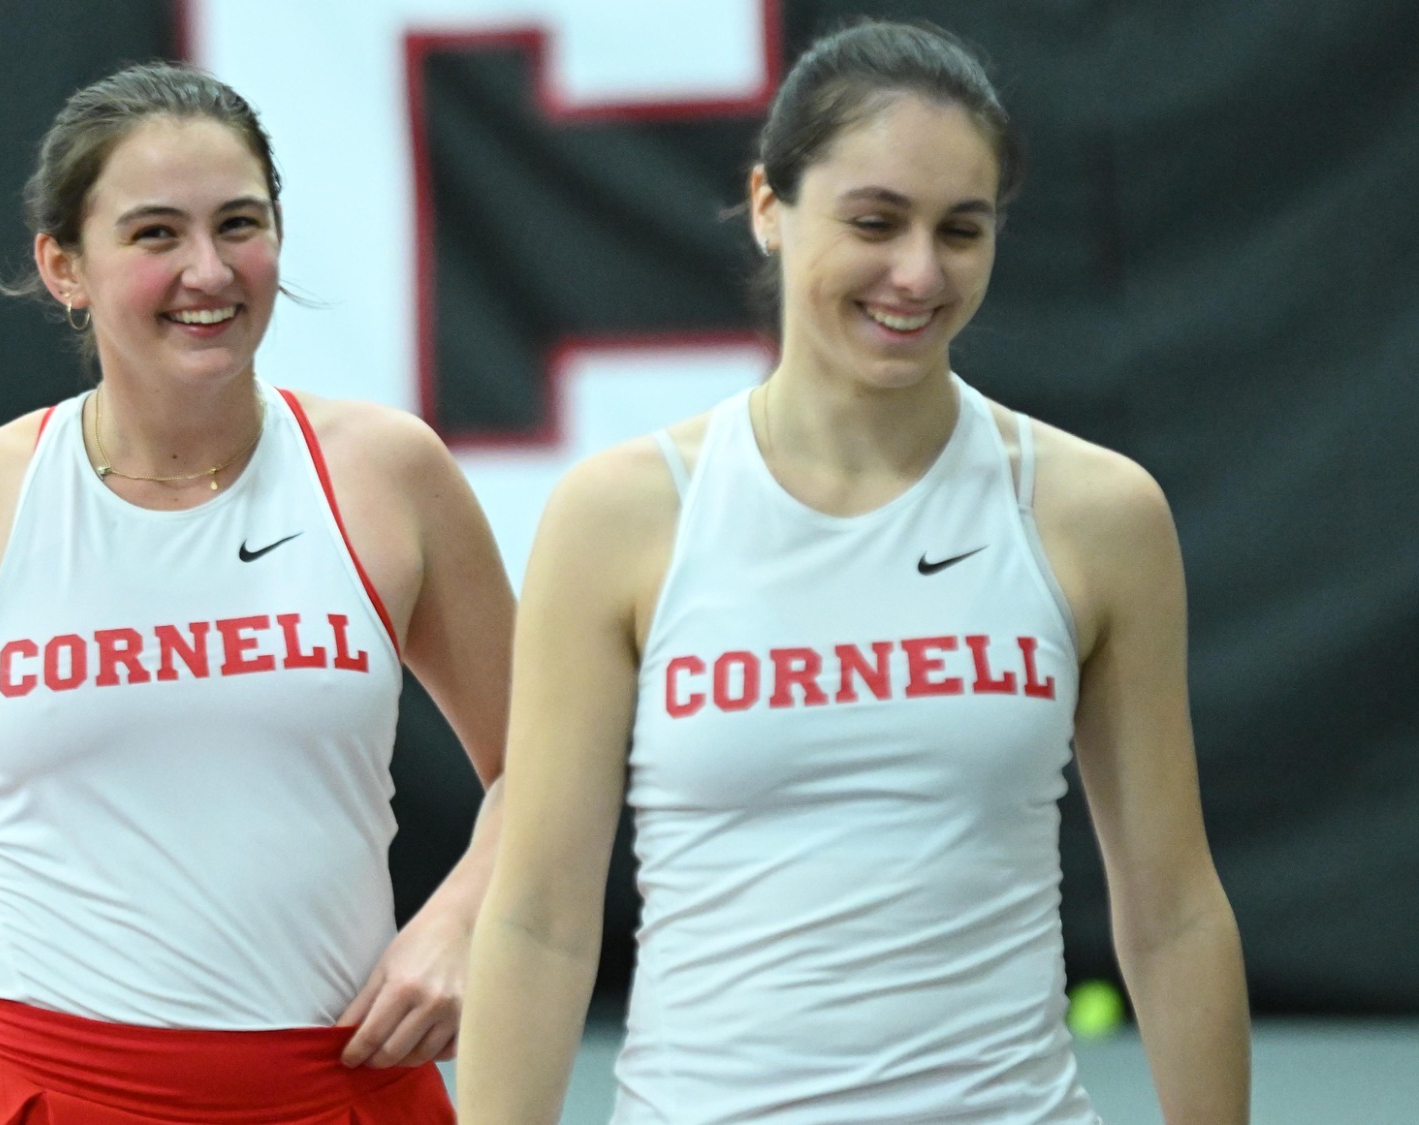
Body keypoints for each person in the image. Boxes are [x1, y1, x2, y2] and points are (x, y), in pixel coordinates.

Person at [456, 20, 1249, 1125]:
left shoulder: (1093, 513)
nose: (917, 272)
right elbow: (537, 917)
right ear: (770, 208)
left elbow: (1170, 911)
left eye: (959, 230)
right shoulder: (618, 517)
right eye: (874, 221)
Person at [0, 62, 513, 1125]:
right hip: (35, 1092)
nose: (208, 271)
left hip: (337, 1095)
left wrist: (470, 911)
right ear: (63, 265)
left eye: (238, 224)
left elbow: (546, 768)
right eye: (155, 234)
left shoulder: (389, 473)